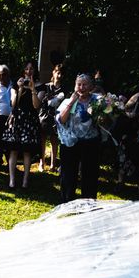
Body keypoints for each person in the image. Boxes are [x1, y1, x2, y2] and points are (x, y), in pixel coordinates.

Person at [55, 73, 102, 202]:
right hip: (70, 143)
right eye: (79, 84)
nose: (81, 87)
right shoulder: (68, 101)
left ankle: (89, 202)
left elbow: (105, 122)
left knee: (90, 175)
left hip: (90, 142)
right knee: (68, 175)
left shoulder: (98, 100)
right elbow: (62, 120)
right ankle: (67, 200)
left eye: (84, 84)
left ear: (91, 86)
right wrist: (71, 102)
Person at [8, 60, 42, 189]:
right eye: (27, 69)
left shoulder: (40, 86)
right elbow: (13, 103)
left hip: (30, 120)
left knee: (27, 151)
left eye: (31, 69)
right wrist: (20, 88)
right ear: (23, 71)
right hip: (17, 119)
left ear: (35, 71)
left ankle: (25, 181)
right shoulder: (16, 85)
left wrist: (33, 89)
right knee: (14, 150)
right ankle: (11, 180)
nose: (29, 71)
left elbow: (36, 106)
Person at [38, 64, 65, 172]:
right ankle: (42, 163)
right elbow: (41, 101)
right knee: (42, 139)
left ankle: (53, 164)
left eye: (61, 73)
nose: (59, 75)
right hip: (45, 116)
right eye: (57, 72)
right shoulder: (46, 86)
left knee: (54, 141)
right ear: (53, 73)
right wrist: (47, 98)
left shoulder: (64, 89)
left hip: (57, 117)